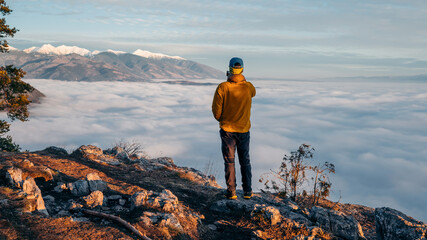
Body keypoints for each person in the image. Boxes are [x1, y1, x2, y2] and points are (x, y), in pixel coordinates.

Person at [212, 57, 256, 200]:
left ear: (229, 69)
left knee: (230, 161)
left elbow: (216, 111)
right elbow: (253, 93)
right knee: (245, 161)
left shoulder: (223, 87)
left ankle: (231, 192)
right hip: (244, 130)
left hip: (227, 131)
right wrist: (241, 79)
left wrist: (222, 119)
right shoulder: (249, 87)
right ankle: (248, 191)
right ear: (242, 69)